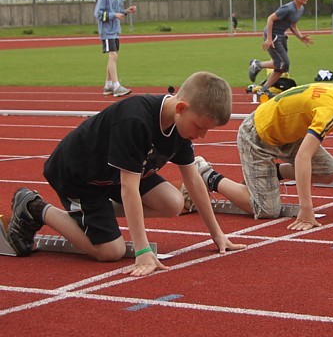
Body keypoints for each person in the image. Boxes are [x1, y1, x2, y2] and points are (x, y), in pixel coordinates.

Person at [7, 71, 246, 276]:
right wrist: (142, 251)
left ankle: (94, 215)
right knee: (111, 252)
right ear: (181, 108)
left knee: (173, 202)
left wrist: (217, 234)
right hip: (81, 176)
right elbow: (128, 188)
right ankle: (35, 207)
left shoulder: (180, 128)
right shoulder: (135, 120)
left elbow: (192, 179)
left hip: (117, 173)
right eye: (201, 127)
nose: (202, 135)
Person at [186, 82, 333, 232]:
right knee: (267, 209)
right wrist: (306, 209)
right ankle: (206, 173)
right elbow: (303, 157)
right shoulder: (330, 110)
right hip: (258, 135)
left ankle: (275, 173)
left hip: (290, 135)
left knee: (332, 171)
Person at [248, 0, 313, 97]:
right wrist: (268, 39)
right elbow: (270, 19)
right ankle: (258, 69)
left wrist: (301, 37)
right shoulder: (287, 8)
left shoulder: (301, 9)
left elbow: (292, 26)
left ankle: (262, 85)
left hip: (281, 36)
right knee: (284, 63)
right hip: (272, 35)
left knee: (282, 66)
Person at [94, 0, 135, 98]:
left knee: (113, 56)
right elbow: (98, 14)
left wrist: (126, 11)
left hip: (115, 30)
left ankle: (108, 85)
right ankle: (116, 85)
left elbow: (118, 11)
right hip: (107, 31)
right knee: (113, 56)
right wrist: (114, 15)